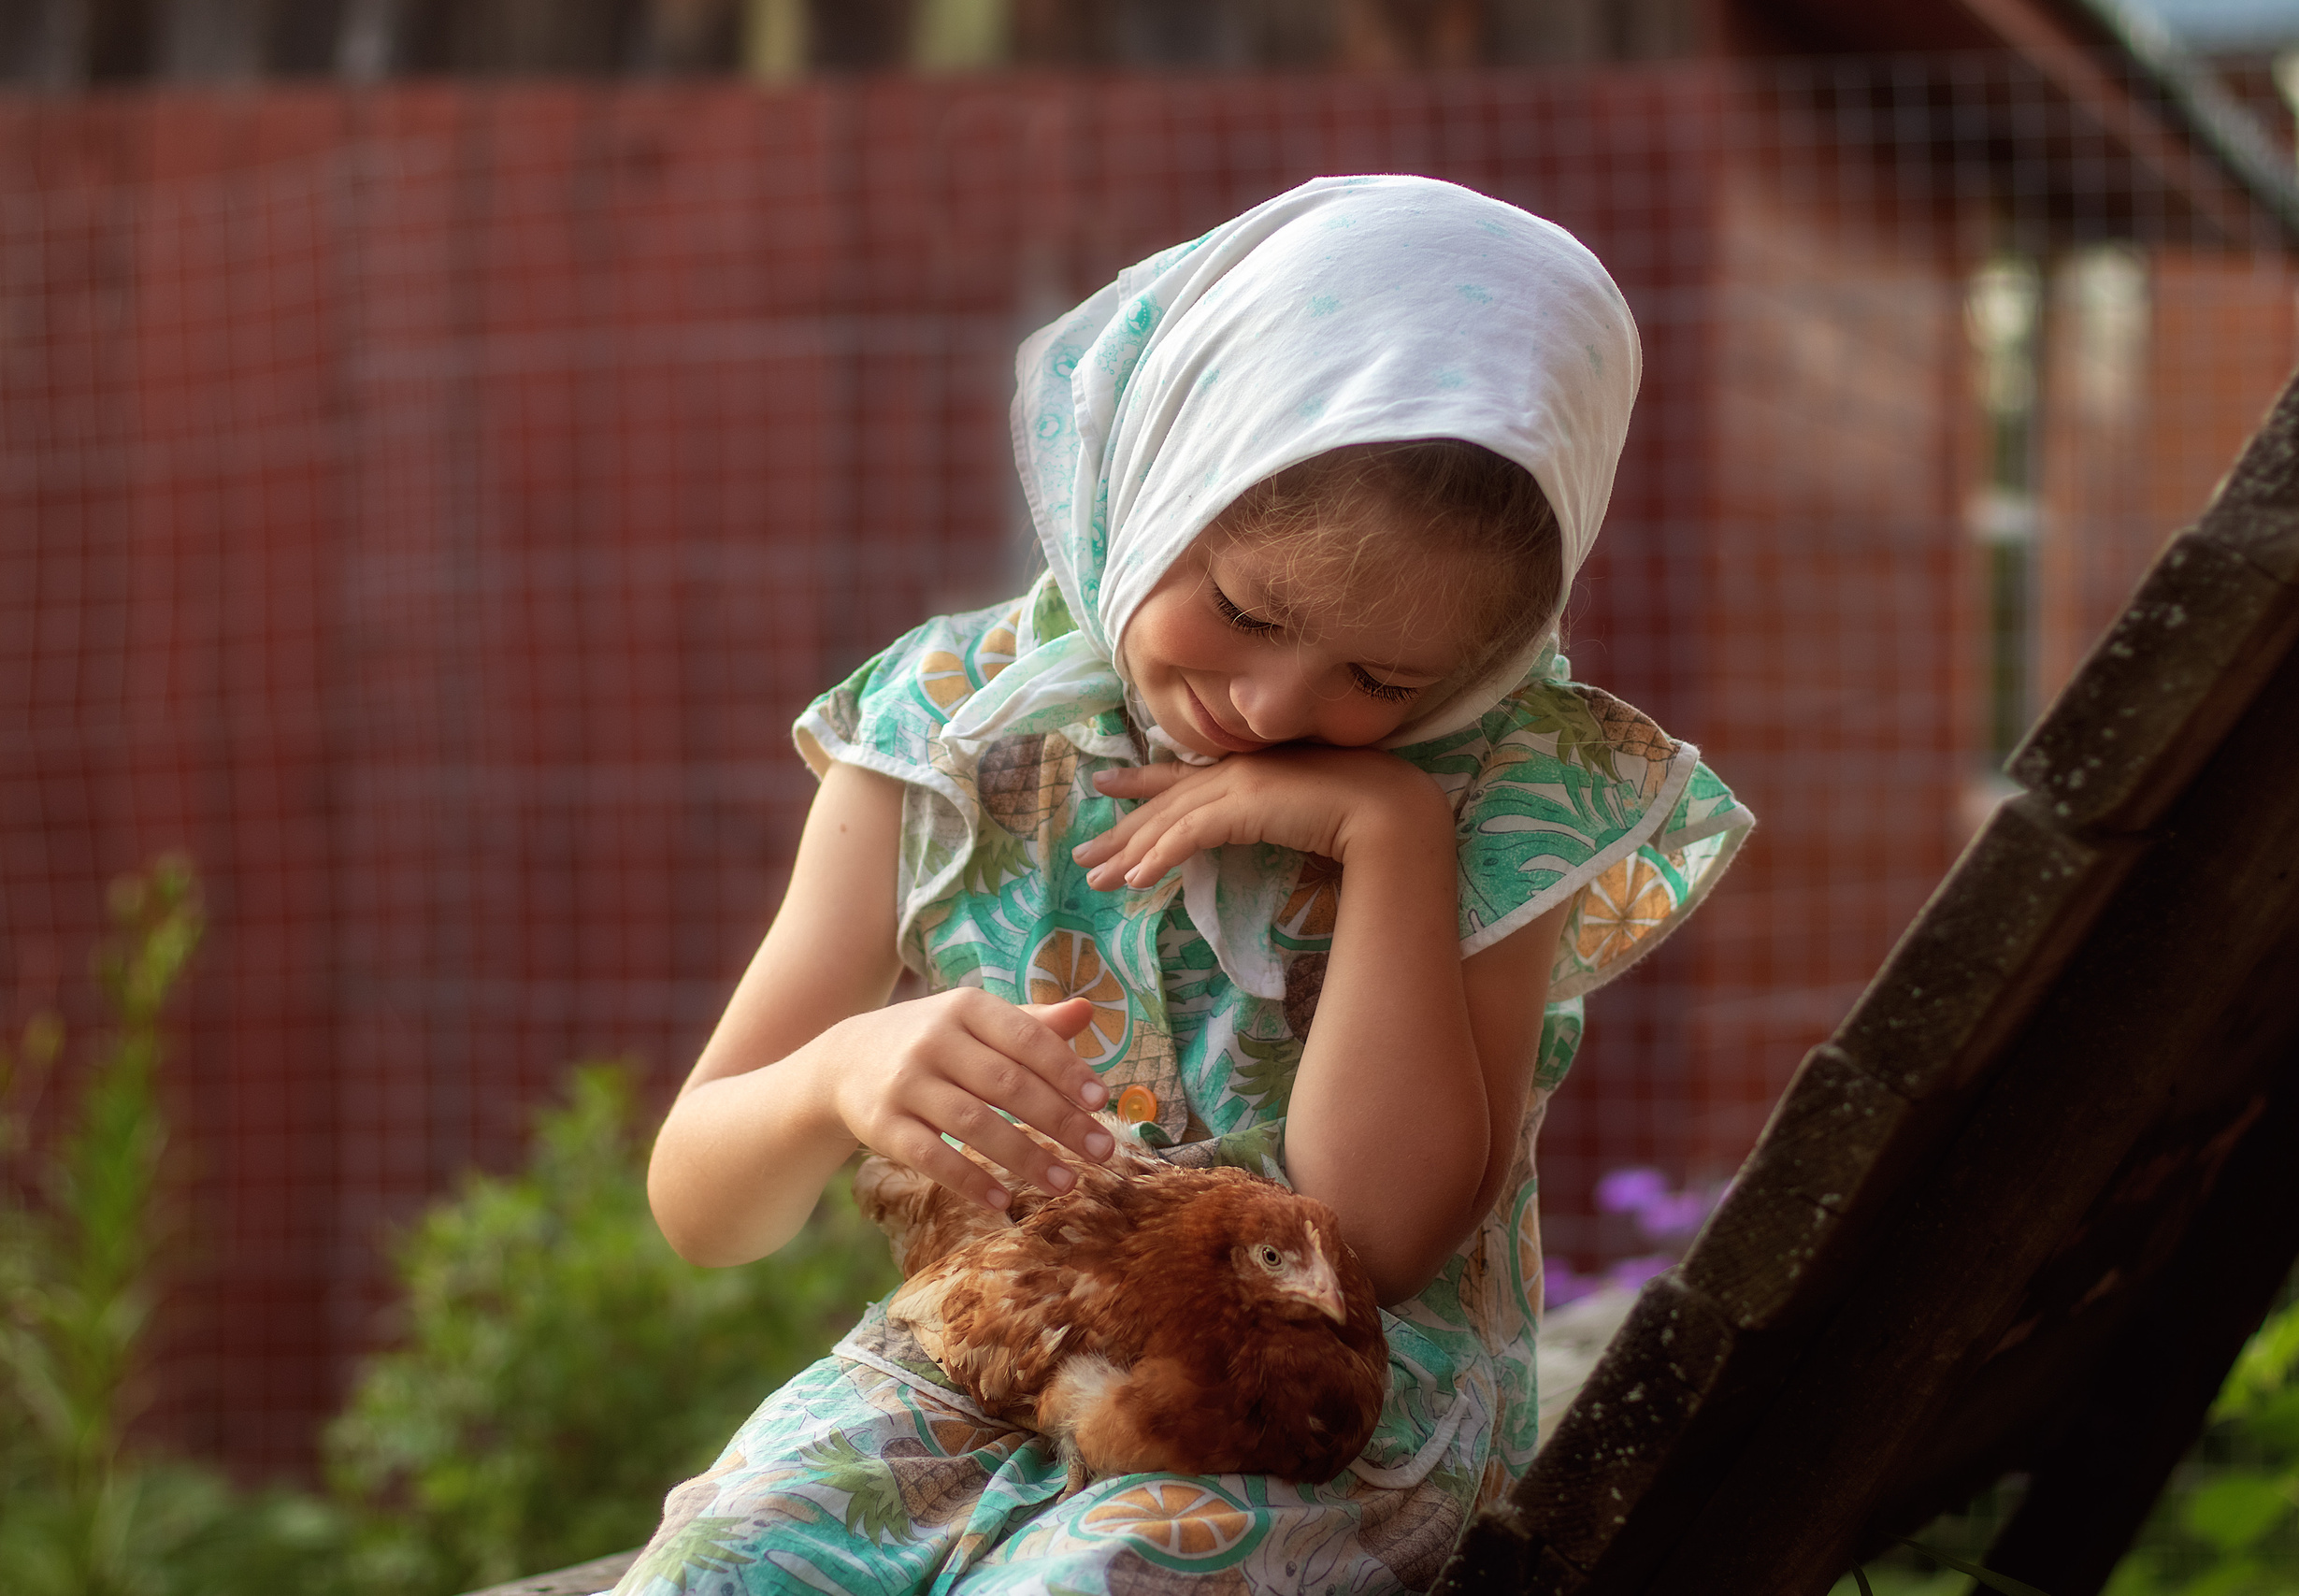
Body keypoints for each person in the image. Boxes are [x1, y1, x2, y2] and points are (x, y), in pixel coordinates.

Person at [617, 174, 1752, 1596]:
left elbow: (1383, 1240)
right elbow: (704, 1207)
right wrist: (834, 1075)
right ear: (1162, 471)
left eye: (1380, 678)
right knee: (718, 1568)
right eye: (1246, 609)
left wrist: (1392, 838)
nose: (1272, 704)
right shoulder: (942, 731)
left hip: (1319, 1421)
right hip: (977, 1365)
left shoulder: (1488, 791)